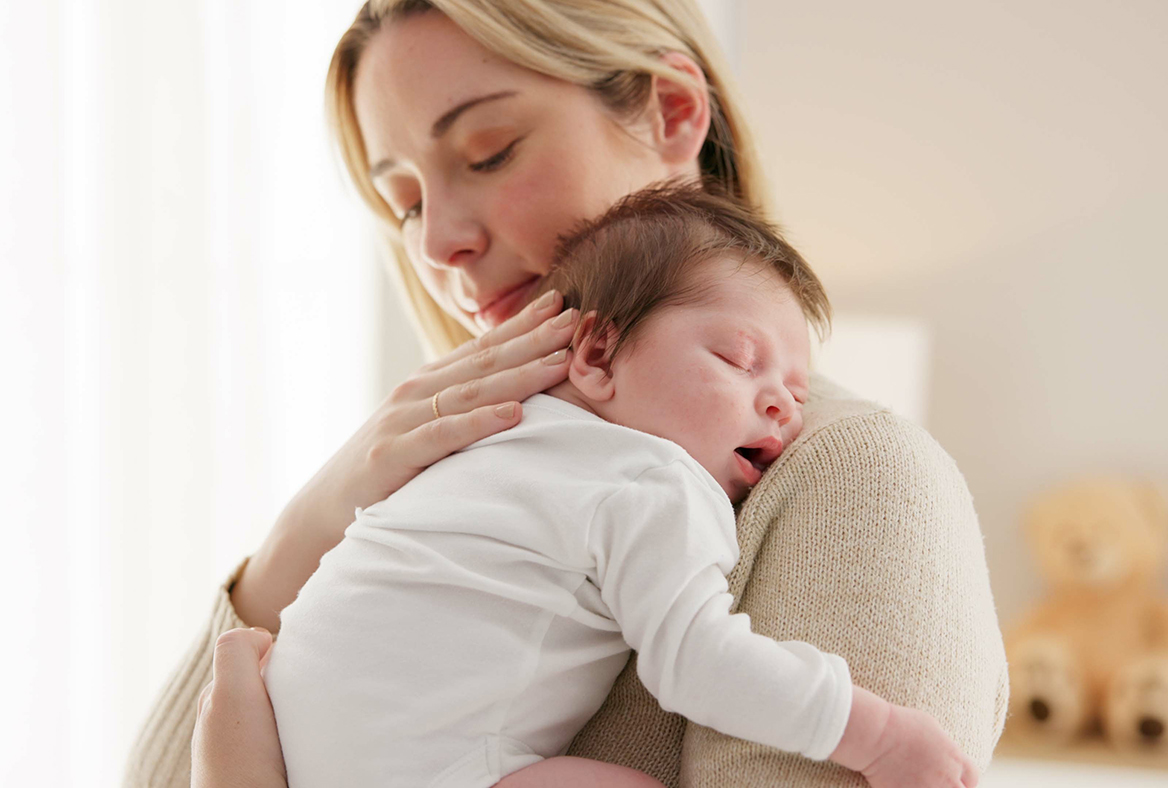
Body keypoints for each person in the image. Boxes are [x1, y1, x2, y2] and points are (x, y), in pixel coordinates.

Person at [125, 2, 1008, 787]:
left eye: (489, 152)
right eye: (401, 202)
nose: (437, 241)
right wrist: (313, 521)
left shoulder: (849, 477)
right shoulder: (450, 483)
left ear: (671, 113)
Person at [264, 183, 980, 788]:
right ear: (599, 352)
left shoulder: (480, 439)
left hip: (288, 742)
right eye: (739, 359)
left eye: (795, 392)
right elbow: (699, 664)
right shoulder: (652, 476)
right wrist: (879, 733)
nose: (784, 407)